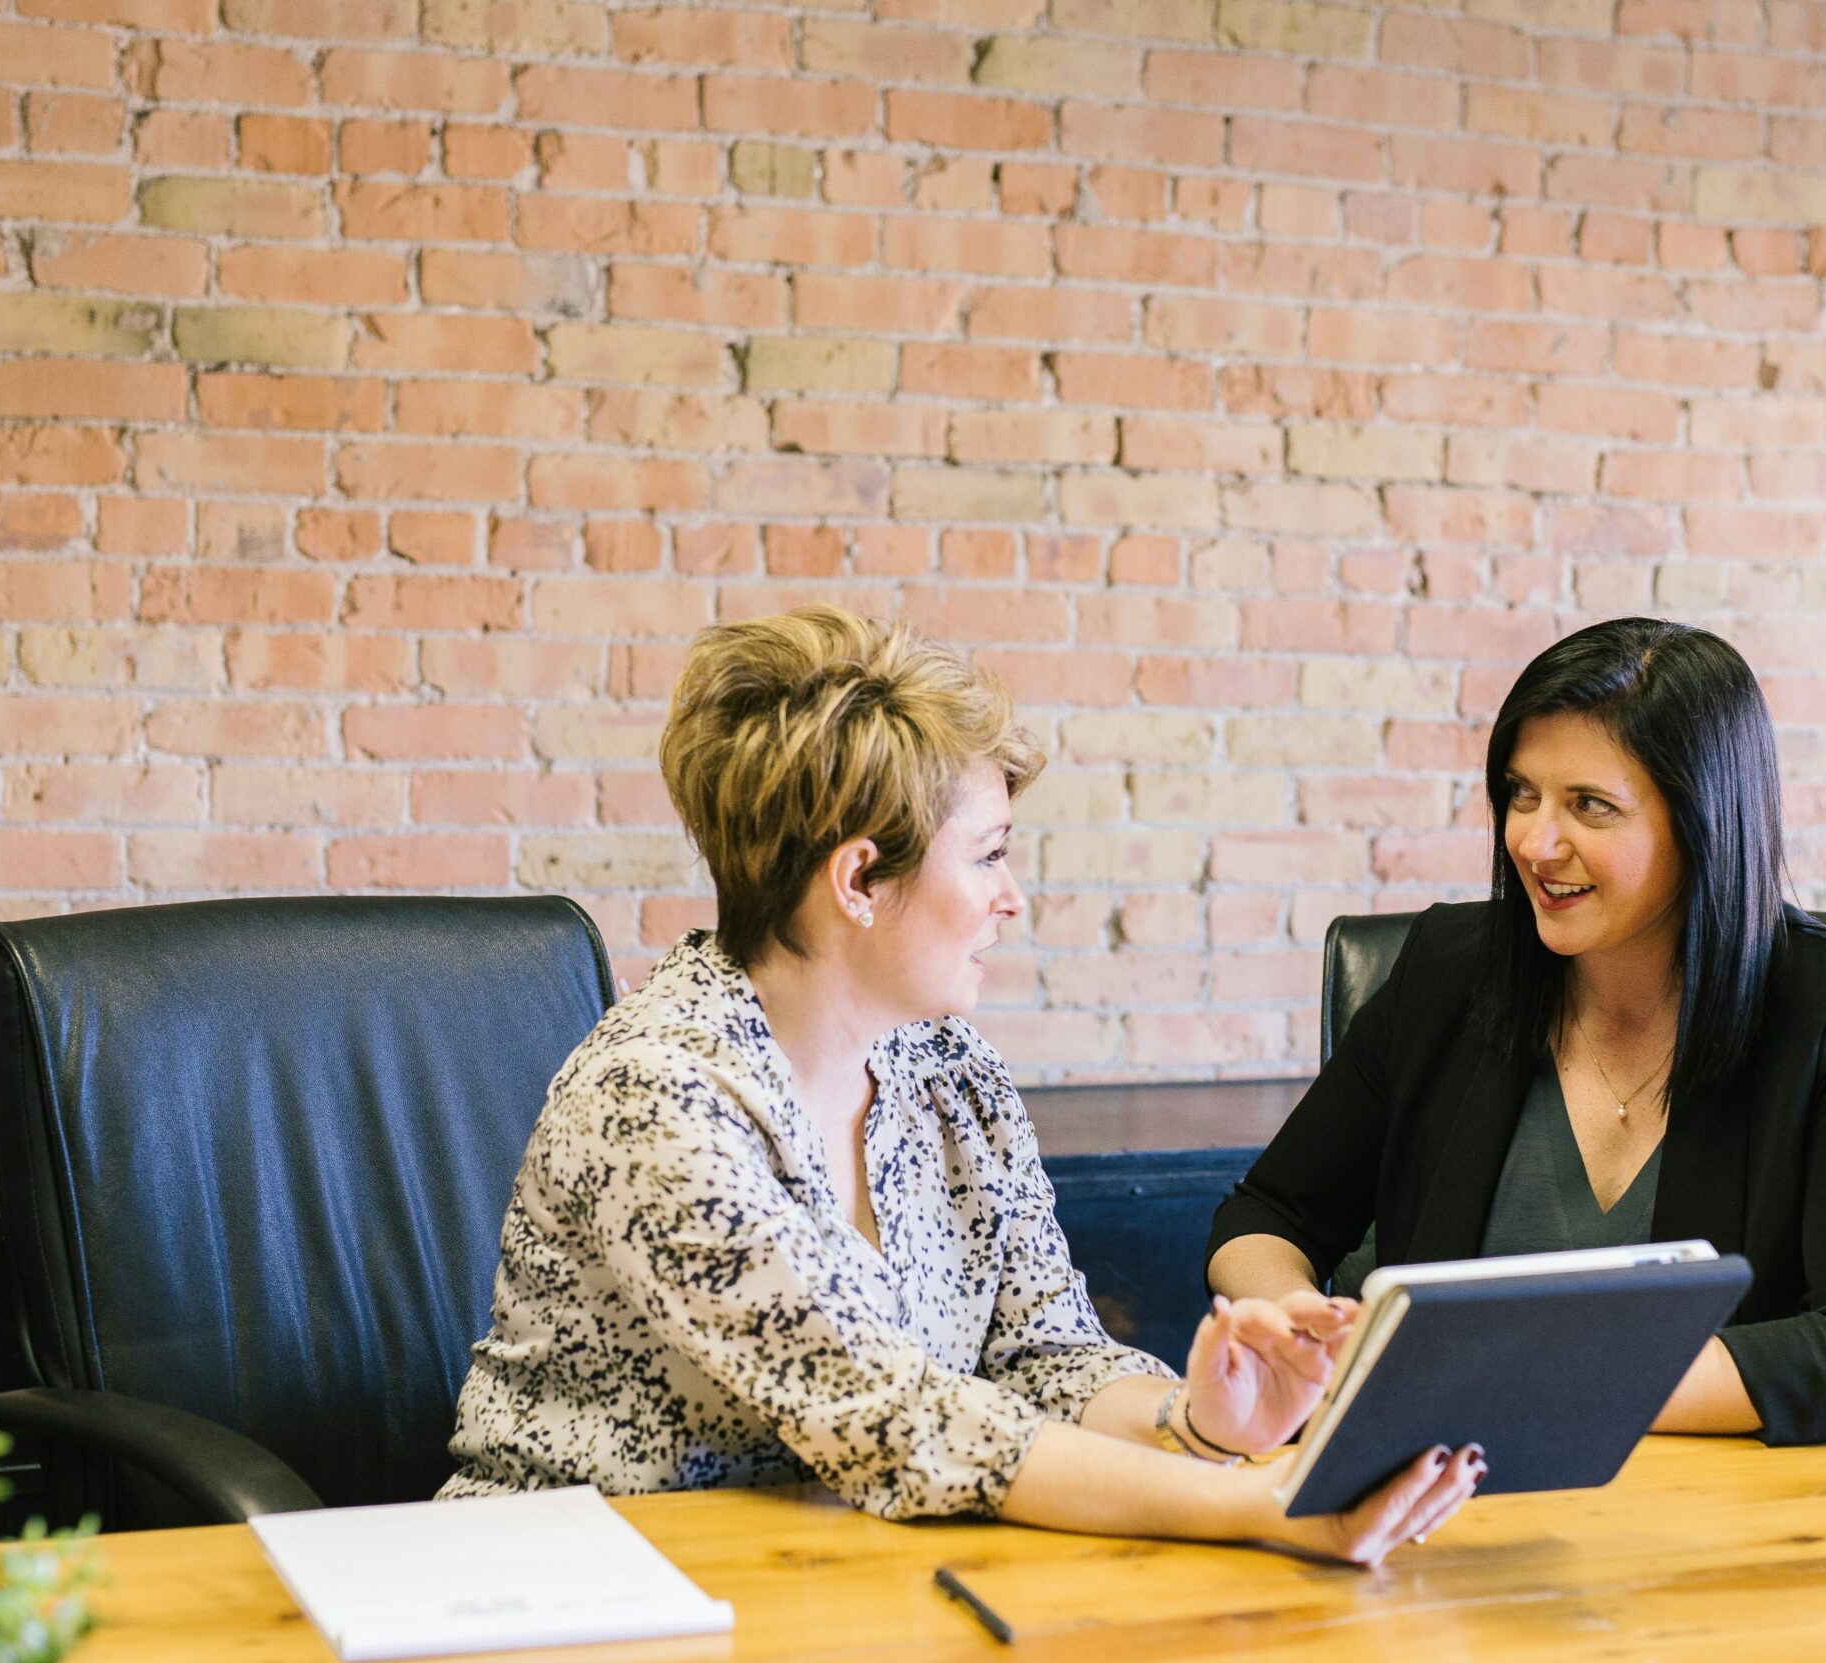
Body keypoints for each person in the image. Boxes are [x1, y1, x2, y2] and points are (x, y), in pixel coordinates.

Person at [443, 606, 1478, 1562]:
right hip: (571, 1591)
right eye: (986, 856)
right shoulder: (657, 1098)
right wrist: (1259, 1504)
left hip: (841, 1577)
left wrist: (1200, 1422)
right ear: (858, 880)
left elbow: (1044, 1355)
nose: (1011, 899)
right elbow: (897, 1418)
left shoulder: (947, 1069)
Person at [1207, 617, 1826, 1445]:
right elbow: (1267, 1214)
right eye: (1523, 794)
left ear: (1703, 821)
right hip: (1438, 1501)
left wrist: (1521, 1383)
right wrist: (1293, 1324)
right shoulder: (1449, 973)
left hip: (1726, 1515)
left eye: (1590, 806)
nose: (1534, 840)